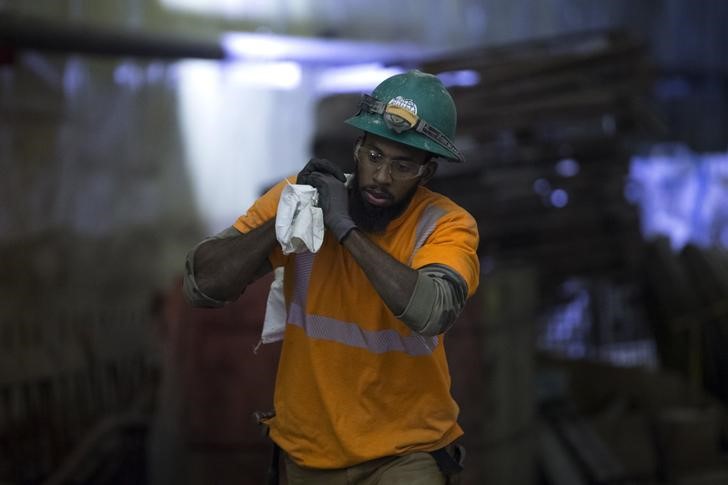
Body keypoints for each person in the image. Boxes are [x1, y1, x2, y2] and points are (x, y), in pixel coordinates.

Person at [183, 70, 480, 484]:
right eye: (374, 157)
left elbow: (432, 312)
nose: (381, 177)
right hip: (309, 452)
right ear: (357, 148)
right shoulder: (302, 198)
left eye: (402, 166)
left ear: (426, 174)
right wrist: (282, 221)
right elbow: (201, 285)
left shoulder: (446, 225)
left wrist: (344, 228)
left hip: (406, 453)